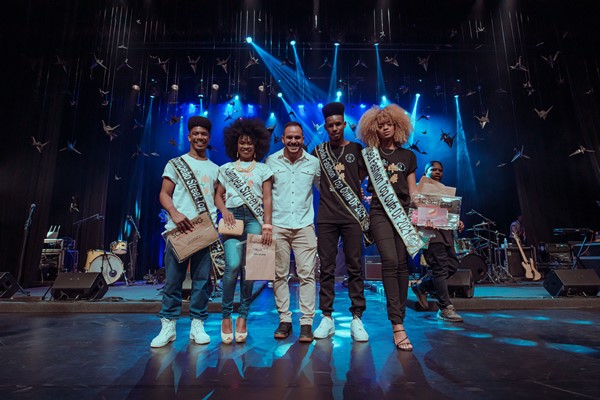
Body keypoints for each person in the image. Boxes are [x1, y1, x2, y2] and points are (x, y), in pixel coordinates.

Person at [357, 103, 423, 351]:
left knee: (403, 265)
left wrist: (430, 209)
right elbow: (357, 182)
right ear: (374, 128)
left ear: (398, 126)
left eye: (389, 124)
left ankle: (400, 318)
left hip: (403, 213)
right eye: (381, 125)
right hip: (379, 212)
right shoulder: (369, 155)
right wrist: (362, 197)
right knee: (390, 261)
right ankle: (397, 325)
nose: (385, 128)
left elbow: (413, 190)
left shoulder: (408, 156)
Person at [151, 116, 219, 348]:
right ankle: (168, 326)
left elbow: (220, 200)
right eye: (196, 134)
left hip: (204, 232)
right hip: (178, 230)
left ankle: (197, 325)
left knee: (202, 282)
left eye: (204, 134)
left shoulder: (215, 169)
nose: (200, 137)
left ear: (208, 138)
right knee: (173, 281)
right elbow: (164, 194)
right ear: (189, 136)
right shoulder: (175, 163)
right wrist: (174, 212)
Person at [312, 102, 370, 342]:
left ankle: (357, 318)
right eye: (330, 125)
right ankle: (327, 317)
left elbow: (364, 176)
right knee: (326, 268)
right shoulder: (318, 152)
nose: (335, 128)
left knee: (355, 267)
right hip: (326, 217)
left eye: (338, 124)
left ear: (344, 124)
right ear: (325, 127)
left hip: (352, 217)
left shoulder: (357, 149)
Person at [215, 118, 273, 344]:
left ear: (256, 144)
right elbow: (217, 195)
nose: (246, 146)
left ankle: (243, 317)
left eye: (250, 143)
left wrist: (267, 225)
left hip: (255, 219)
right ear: (235, 144)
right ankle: (226, 316)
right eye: (242, 142)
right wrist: (223, 211)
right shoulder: (226, 169)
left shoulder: (264, 169)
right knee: (232, 266)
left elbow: (267, 199)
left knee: (250, 270)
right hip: (232, 218)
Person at [266, 122, 320, 342]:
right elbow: (266, 194)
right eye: (290, 137)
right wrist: (266, 224)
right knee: (279, 275)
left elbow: (324, 190)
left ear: (303, 139)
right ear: (282, 139)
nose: (294, 141)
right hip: (278, 225)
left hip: (304, 225)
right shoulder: (271, 161)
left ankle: (306, 323)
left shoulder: (314, 163)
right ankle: (285, 320)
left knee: (307, 275)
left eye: (297, 137)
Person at [411, 161, 465, 323]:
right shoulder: (418, 189)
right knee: (440, 269)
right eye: (433, 169)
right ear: (425, 171)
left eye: (440, 170)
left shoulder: (443, 191)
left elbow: (448, 213)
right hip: (430, 235)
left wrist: (457, 221)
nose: (437, 172)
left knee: (452, 265)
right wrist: (422, 218)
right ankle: (445, 308)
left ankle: (423, 286)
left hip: (446, 234)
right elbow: (412, 211)